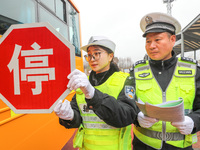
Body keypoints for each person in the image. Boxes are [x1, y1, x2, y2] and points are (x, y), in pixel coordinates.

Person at [54, 36, 139, 150]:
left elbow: (126, 116)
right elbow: (79, 117)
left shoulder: (126, 80)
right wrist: (69, 116)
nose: (92, 58)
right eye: (89, 55)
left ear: (110, 56)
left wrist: (93, 95)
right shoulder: (83, 82)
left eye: (97, 53)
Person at [132, 12, 200, 150]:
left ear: (172, 39)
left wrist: (194, 121)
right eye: (148, 41)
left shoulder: (193, 70)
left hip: (180, 146)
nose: (151, 46)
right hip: (144, 145)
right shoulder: (136, 71)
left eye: (157, 40)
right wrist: (136, 117)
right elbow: (125, 104)